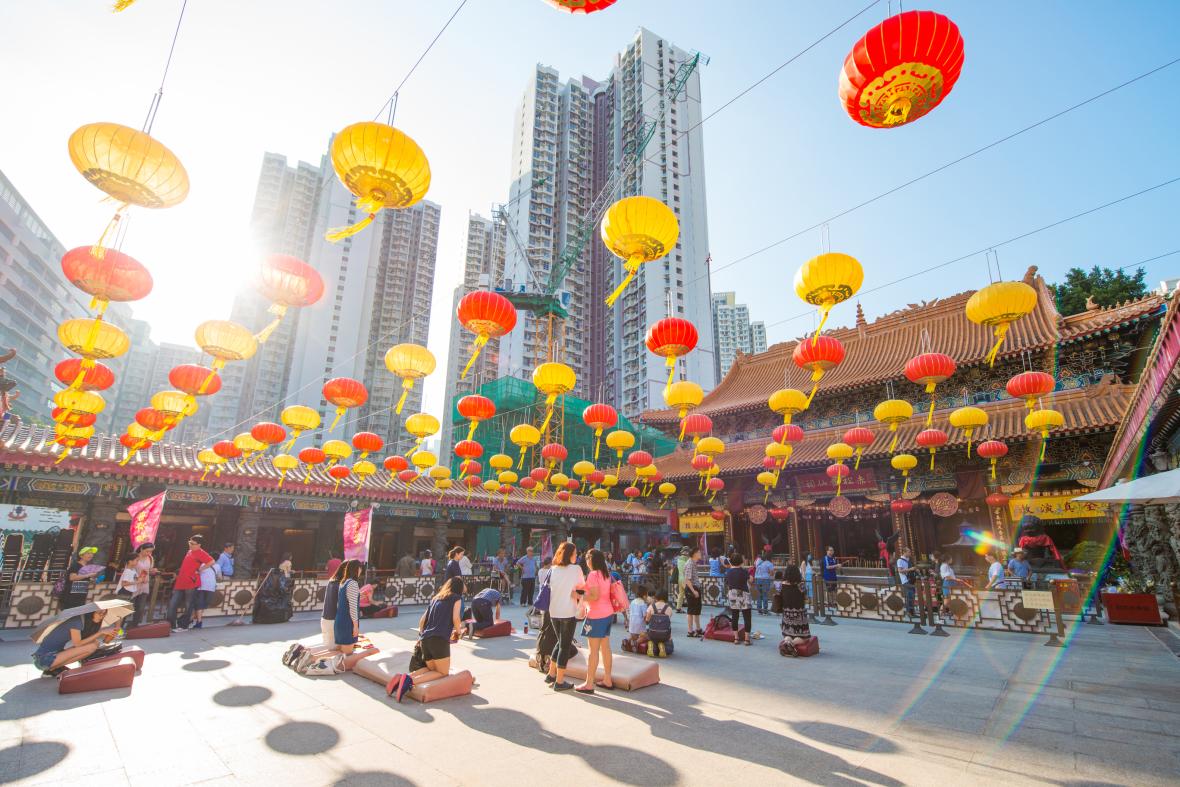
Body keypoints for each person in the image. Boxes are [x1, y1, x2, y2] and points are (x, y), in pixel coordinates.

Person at [387, 576, 465, 702]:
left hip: (425, 639)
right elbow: (456, 618)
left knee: (431, 669)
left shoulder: (436, 598)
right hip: (439, 640)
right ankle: (409, 680)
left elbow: (422, 621)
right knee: (443, 672)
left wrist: (421, 636)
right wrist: (459, 632)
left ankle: (404, 676)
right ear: (459, 588)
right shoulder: (456, 598)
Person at [545, 542, 584, 692]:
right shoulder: (576, 569)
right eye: (575, 553)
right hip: (568, 611)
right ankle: (560, 681)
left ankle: (551, 673)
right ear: (570, 555)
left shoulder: (553, 569)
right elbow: (582, 586)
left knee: (561, 642)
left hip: (554, 611)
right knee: (565, 646)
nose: (576, 556)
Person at [32, 609, 119, 676]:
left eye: (104, 613)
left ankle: (53, 669)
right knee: (92, 646)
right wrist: (100, 632)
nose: (102, 616)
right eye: (99, 613)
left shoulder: (86, 622)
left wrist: (108, 635)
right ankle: (51, 669)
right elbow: (77, 644)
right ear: (92, 612)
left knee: (95, 643)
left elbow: (92, 640)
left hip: (55, 655)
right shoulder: (77, 621)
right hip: (44, 659)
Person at [575, 548, 614, 693]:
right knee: (606, 648)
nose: (586, 561)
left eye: (587, 558)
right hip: (608, 612)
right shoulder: (606, 574)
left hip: (596, 615)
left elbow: (594, 596)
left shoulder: (593, 575)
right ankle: (607, 679)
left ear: (591, 559)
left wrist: (579, 597)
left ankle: (589, 683)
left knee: (593, 651)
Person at [333, 560, 377, 671]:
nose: (361, 570)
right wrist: (355, 626)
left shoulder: (344, 582)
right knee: (347, 657)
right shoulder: (352, 583)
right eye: (360, 568)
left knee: (341, 652)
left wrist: (358, 596)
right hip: (347, 622)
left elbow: (344, 602)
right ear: (356, 569)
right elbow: (353, 608)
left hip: (340, 620)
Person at [168, 535, 213, 631]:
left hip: (191, 582)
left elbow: (211, 561)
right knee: (172, 603)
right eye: (189, 542)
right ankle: (171, 625)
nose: (190, 545)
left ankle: (183, 626)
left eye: (193, 544)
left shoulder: (201, 553)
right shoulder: (189, 551)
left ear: (199, 545)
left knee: (189, 605)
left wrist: (200, 569)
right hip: (181, 582)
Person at [779, 564, 812, 654]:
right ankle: (792, 644)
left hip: (786, 612)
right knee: (804, 637)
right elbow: (805, 596)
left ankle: (786, 642)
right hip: (799, 613)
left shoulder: (783, 584)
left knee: (788, 634)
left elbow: (780, 595)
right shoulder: (801, 585)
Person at [253, 553, 294, 624]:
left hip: (279, 578)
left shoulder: (281, 563)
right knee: (285, 595)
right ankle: (284, 615)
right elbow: (288, 571)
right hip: (285, 578)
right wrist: (293, 571)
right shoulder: (288, 562)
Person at [726, 553, 753, 645]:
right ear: (741, 561)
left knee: (735, 616)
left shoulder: (728, 572)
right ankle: (746, 639)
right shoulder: (744, 571)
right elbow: (750, 580)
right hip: (744, 594)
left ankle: (736, 638)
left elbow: (727, 582)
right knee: (747, 617)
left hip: (732, 594)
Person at [644, 588, 674, 657]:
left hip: (652, 634)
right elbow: (668, 622)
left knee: (652, 639)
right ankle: (662, 646)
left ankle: (652, 645)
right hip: (664, 635)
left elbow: (647, 620)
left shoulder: (651, 606)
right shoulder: (669, 608)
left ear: (656, 597)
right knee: (670, 647)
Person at [193, 555, 217, 629]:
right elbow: (219, 577)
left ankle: (198, 622)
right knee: (202, 605)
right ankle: (197, 620)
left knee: (199, 604)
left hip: (201, 586)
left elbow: (195, 573)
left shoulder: (201, 565)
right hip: (211, 587)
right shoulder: (217, 566)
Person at [322, 561, 342, 647]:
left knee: (328, 645)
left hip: (325, 616)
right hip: (333, 618)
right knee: (335, 647)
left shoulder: (331, 582)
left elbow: (326, 568)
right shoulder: (340, 584)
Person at [626, 585, 650, 652]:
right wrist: (647, 621)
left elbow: (629, 611)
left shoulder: (633, 602)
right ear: (644, 596)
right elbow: (645, 615)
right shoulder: (643, 603)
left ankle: (627, 641)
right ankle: (636, 643)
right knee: (644, 636)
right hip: (639, 623)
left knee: (634, 636)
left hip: (632, 622)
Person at [897, 548, 916, 616]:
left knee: (912, 596)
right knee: (910, 595)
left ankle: (912, 611)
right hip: (906, 580)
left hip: (911, 580)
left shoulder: (909, 560)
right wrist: (910, 569)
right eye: (909, 552)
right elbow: (900, 570)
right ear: (904, 552)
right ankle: (909, 612)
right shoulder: (900, 560)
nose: (910, 553)